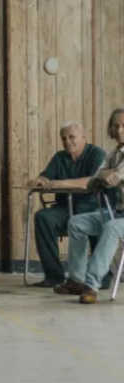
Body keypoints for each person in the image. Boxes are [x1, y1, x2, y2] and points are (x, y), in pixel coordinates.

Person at [54, 108, 124, 304]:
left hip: (118, 219)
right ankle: (76, 280)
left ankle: (91, 285)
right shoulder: (113, 154)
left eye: (123, 126)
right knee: (76, 223)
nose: (119, 130)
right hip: (118, 213)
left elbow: (115, 178)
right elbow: (92, 181)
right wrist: (102, 175)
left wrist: (106, 175)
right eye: (116, 125)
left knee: (110, 228)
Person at [27, 121, 107, 288]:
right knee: (42, 217)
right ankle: (54, 275)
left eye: (72, 137)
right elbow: (46, 176)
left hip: (92, 207)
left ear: (84, 137)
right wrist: (40, 180)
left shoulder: (97, 154)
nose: (67, 141)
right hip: (65, 209)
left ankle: (103, 276)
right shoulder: (59, 157)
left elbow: (92, 180)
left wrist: (63, 183)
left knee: (100, 218)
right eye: (64, 138)